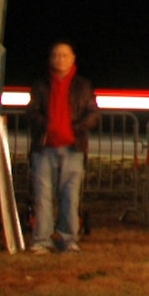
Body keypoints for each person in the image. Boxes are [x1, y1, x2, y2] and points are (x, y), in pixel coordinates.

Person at [27, 40, 98, 256]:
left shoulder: (83, 86)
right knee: (42, 195)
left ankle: (68, 240)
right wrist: (46, 125)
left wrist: (74, 128)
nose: (60, 59)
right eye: (56, 55)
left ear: (73, 59)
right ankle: (42, 240)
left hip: (73, 149)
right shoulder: (41, 85)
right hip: (44, 148)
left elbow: (93, 113)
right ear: (50, 59)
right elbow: (31, 111)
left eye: (64, 55)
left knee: (70, 196)